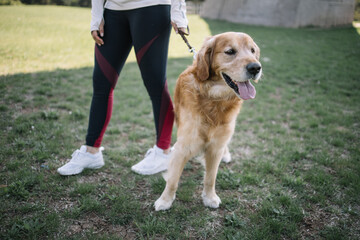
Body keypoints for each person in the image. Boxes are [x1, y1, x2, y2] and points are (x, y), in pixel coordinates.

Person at [57, 0, 188, 176]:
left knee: (155, 84)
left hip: (152, 8)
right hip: (113, 10)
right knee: (101, 83)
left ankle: (163, 152)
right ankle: (91, 151)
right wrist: (96, 17)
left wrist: (178, 14)